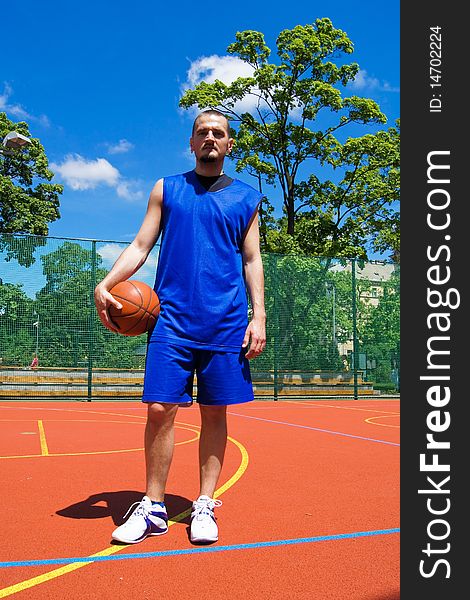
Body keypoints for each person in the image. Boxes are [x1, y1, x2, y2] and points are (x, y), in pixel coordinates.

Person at [94, 109, 266, 545]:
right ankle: (153, 507)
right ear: (191, 143)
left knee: (215, 412)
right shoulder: (166, 188)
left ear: (229, 145)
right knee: (159, 410)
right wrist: (108, 282)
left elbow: (251, 260)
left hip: (226, 322)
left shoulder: (246, 198)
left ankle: (204, 504)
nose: (210, 138)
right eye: (202, 132)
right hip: (171, 319)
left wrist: (258, 315)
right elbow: (140, 244)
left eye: (219, 133)